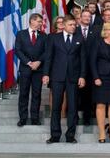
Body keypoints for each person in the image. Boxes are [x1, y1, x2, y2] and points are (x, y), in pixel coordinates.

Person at [42, 14, 87, 144]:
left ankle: (70, 135)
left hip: (73, 77)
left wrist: (82, 76)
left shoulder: (80, 38)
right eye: (71, 25)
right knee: (56, 106)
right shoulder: (53, 38)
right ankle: (55, 135)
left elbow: (83, 59)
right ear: (64, 25)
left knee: (72, 107)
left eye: (74, 25)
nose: (73, 27)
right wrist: (46, 74)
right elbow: (49, 57)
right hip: (57, 77)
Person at [15, 13, 47, 127]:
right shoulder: (21, 34)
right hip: (25, 69)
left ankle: (35, 118)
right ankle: (22, 118)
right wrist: (29, 63)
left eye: (41, 21)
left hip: (38, 70)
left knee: (36, 94)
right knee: (23, 94)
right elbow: (18, 50)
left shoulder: (44, 35)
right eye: (39, 21)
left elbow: (46, 52)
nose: (41, 23)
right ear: (32, 21)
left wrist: (38, 62)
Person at [48, 17, 67, 118]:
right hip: (54, 68)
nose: (60, 24)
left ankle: (63, 112)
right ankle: (53, 112)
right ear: (55, 24)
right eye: (58, 22)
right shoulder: (50, 36)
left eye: (62, 22)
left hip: (65, 67)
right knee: (52, 91)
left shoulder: (68, 36)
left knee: (64, 92)